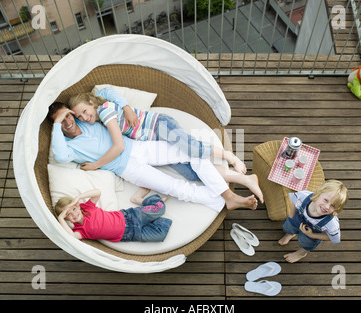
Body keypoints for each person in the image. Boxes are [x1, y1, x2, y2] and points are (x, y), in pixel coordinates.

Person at [48, 103, 258, 212]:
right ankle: (223, 201)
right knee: (174, 187)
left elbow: (101, 104)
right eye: (61, 120)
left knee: (191, 152)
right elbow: (59, 155)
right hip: (128, 169)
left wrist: (70, 114)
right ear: (56, 125)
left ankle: (228, 196)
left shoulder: (86, 121)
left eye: (68, 116)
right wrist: (57, 122)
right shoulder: (67, 147)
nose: (68, 122)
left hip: (139, 147)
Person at [67, 87, 247, 176]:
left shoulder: (105, 110)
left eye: (84, 111)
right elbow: (105, 91)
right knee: (189, 172)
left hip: (158, 125)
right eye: (79, 117)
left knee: (192, 149)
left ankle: (228, 156)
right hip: (154, 140)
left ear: (91, 103)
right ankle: (228, 175)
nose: (84, 118)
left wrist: (127, 107)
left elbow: (118, 146)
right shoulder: (99, 120)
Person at [55, 188, 172, 242]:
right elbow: (72, 237)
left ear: (78, 205)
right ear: (66, 218)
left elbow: (97, 192)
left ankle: (140, 200)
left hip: (129, 217)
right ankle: (152, 219)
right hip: (130, 234)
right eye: (68, 214)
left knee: (160, 209)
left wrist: (79, 197)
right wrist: (60, 217)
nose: (74, 214)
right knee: (160, 235)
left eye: (74, 208)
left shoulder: (87, 208)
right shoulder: (80, 231)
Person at [278, 180, 348, 263]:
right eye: (326, 200)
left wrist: (312, 234)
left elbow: (332, 237)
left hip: (312, 233)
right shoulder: (303, 196)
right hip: (297, 219)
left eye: (332, 206)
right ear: (318, 194)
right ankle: (290, 234)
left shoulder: (331, 224)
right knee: (289, 226)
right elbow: (294, 202)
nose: (326, 207)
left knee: (307, 243)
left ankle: (301, 253)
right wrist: (291, 217)